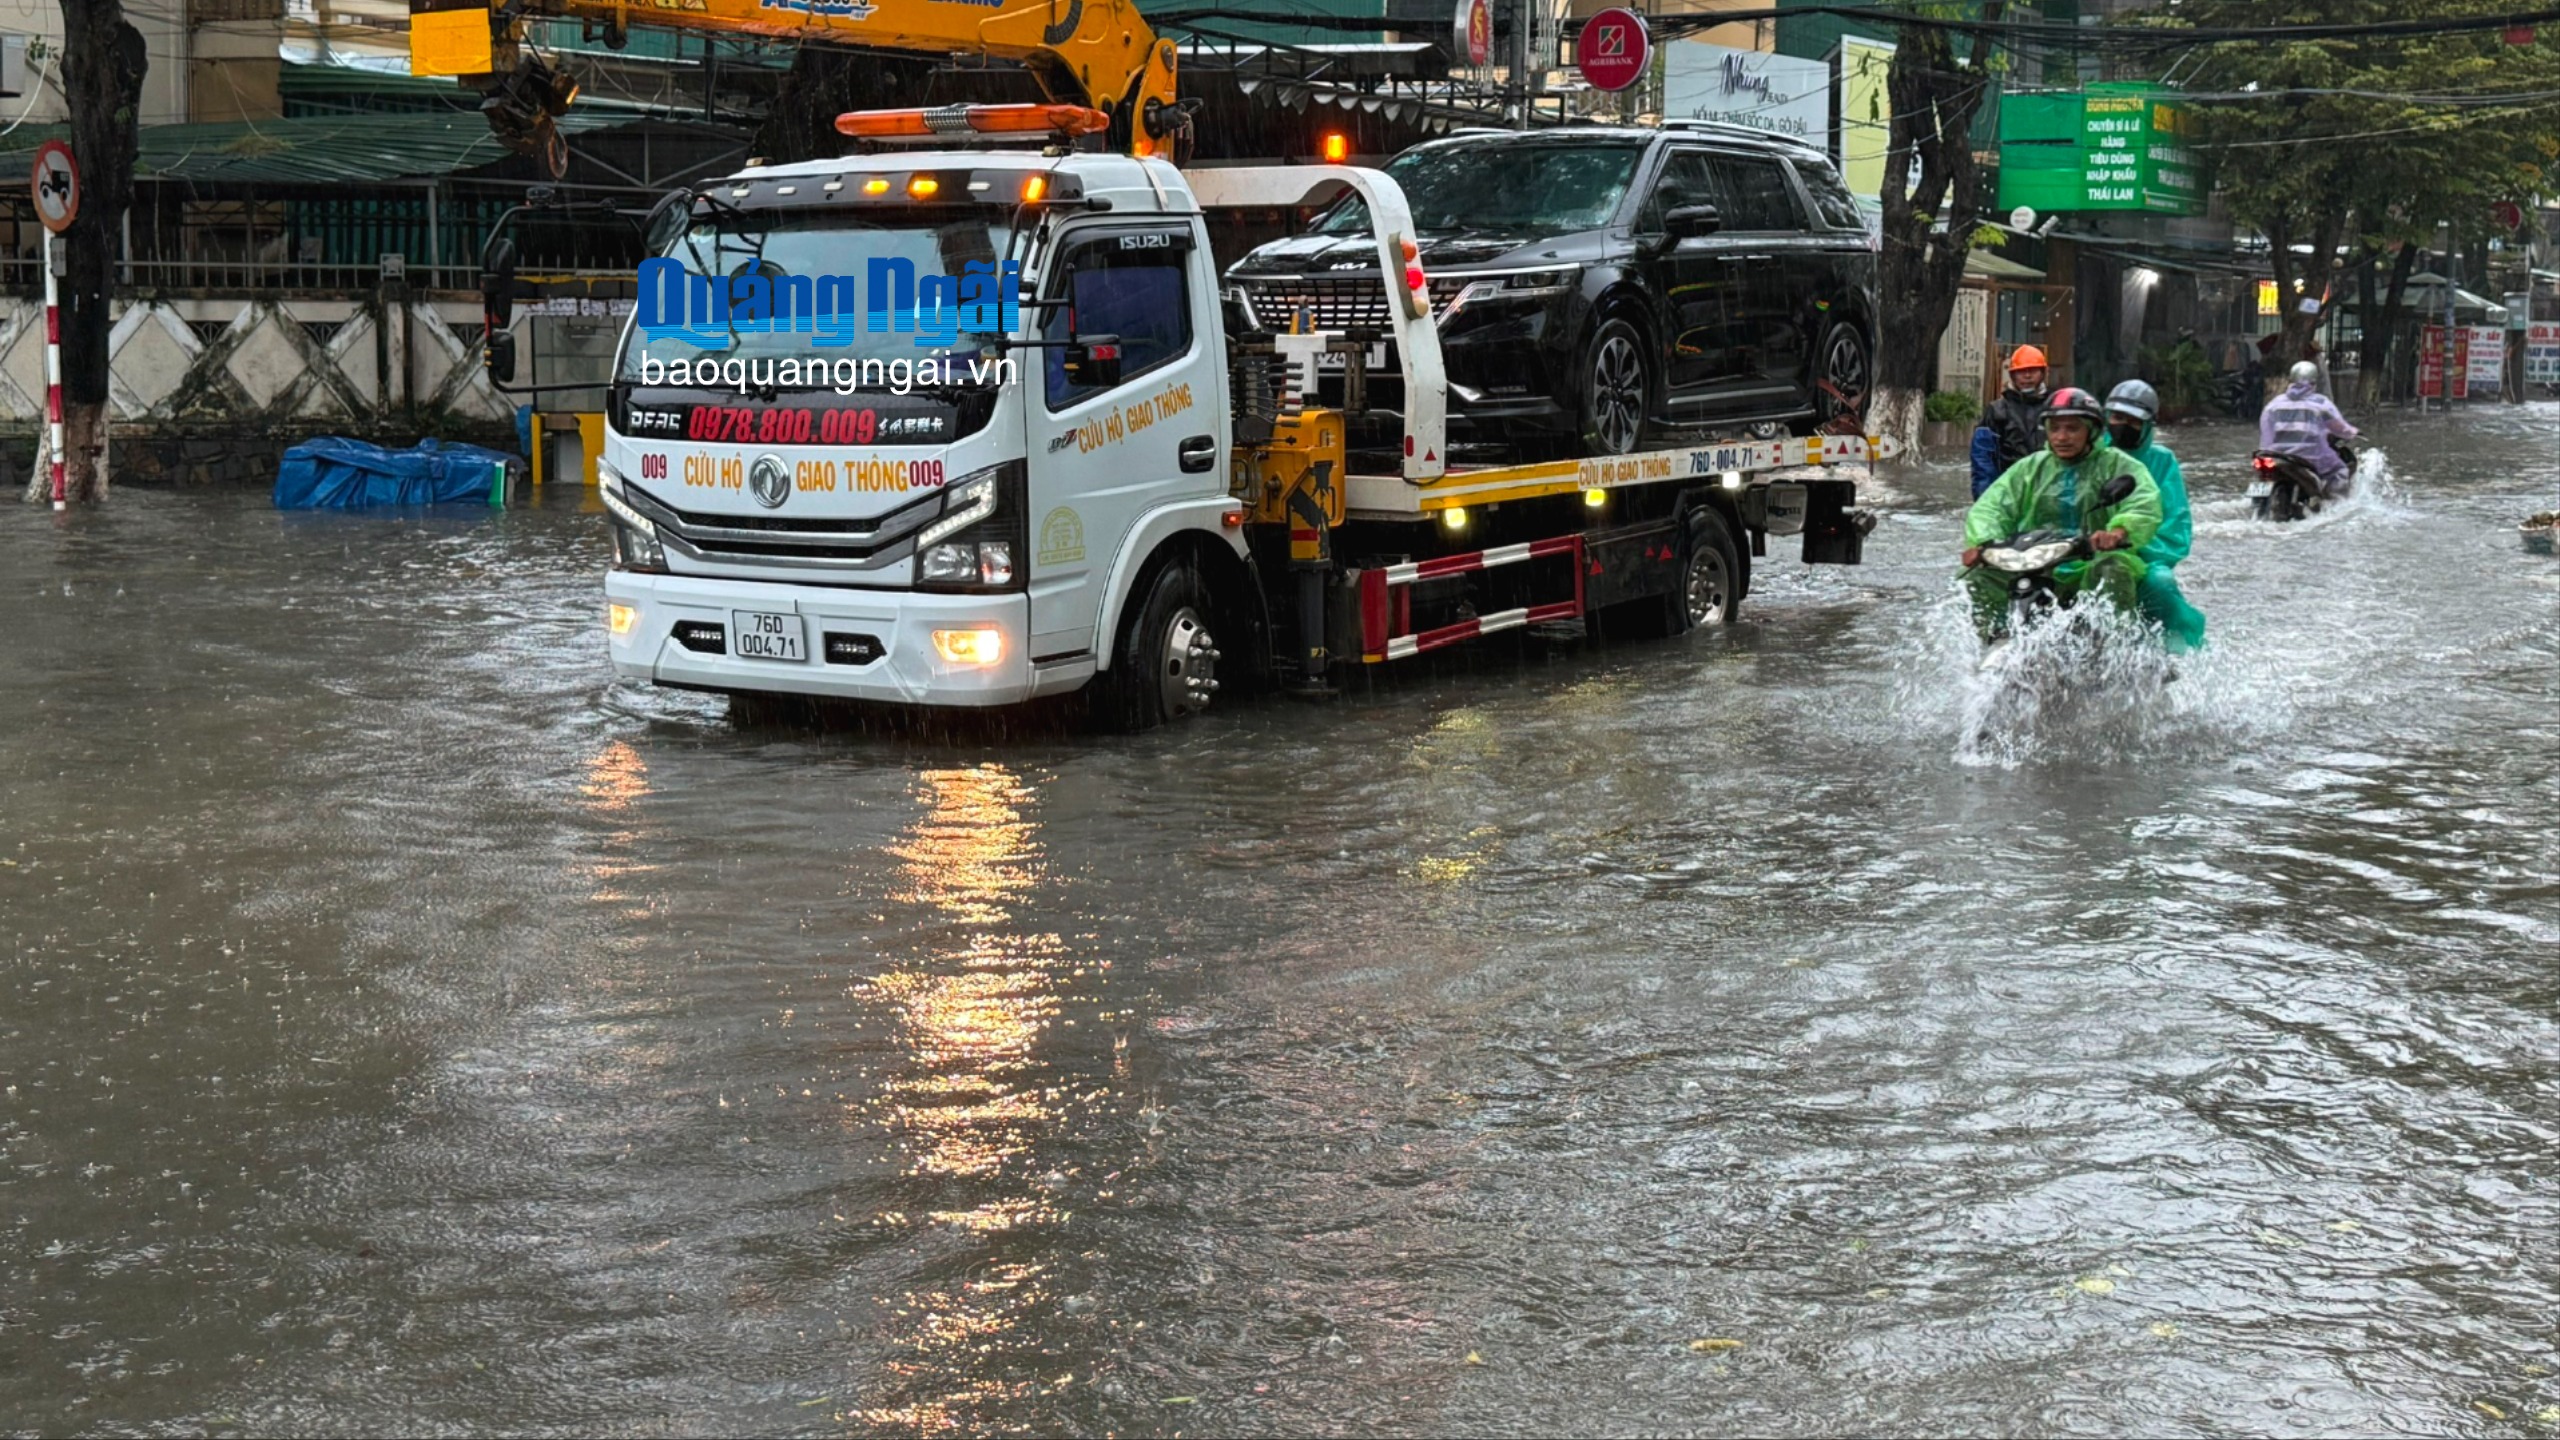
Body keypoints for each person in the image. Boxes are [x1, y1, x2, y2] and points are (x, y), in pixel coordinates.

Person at [1960, 387, 2163, 641]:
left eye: (2072, 429)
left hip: (2092, 559)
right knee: (1978, 578)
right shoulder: (2030, 467)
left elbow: (2143, 503)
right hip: (2035, 558)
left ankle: (2113, 643)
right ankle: (1989, 642)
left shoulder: (2118, 464)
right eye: (2054, 429)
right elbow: (1992, 507)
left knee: (2112, 570)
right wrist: (1982, 543)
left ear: (2092, 431)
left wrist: (2117, 532)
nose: (2061, 437)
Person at [2103, 379, 2205, 654]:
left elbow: (2174, 529)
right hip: (2085, 554)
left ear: (2148, 425)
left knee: (2160, 583)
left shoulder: (2162, 461)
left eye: (2133, 421)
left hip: (2144, 559)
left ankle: (2168, 651)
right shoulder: (2090, 455)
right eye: (2117, 417)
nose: (2123, 425)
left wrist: (2129, 547)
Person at [2258, 359, 2358, 498]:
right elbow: (2340, 428)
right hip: (2310, 457)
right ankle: (2334, 506)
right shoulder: (2321, 403)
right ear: (2314, 382)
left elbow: (2266, 432)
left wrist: (2268, 451)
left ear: (2290, 380)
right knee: (2339, 471)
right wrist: (2353, 433)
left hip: (2273, 456)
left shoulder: (2273, 404)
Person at [1970, 344, 2051, 500]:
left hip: (2048, 492)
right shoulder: (1996, 411)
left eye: (2033, 370)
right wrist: (1984, 499)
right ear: (2013, 375)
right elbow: (1983, 459)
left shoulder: (2054, 407)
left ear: (2043, 373)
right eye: (2021, 371)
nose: (2027, 376)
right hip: (2009, 492)